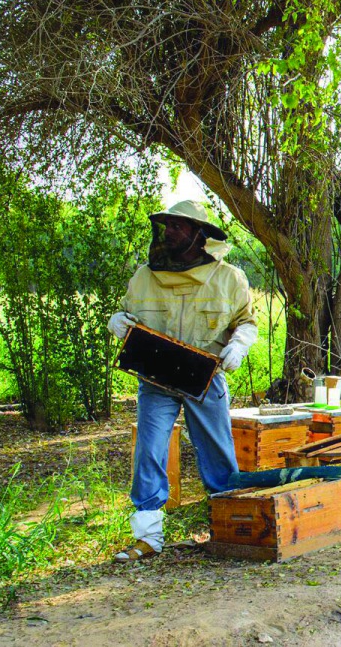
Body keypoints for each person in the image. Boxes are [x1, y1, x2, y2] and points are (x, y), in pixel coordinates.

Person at [107, 200, 258, 561]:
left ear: (198, 234)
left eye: (178, 226)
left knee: (218, 453)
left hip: (205, 379)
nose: (169, 232)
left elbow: (247, 321)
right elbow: (129, 313)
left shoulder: (228, 278)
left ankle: (228, 527)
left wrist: (239, 344)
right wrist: (117, 321)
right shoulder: (145, 275)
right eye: (167, 225)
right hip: (156, 379)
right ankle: (147, 537)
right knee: (149, 451)